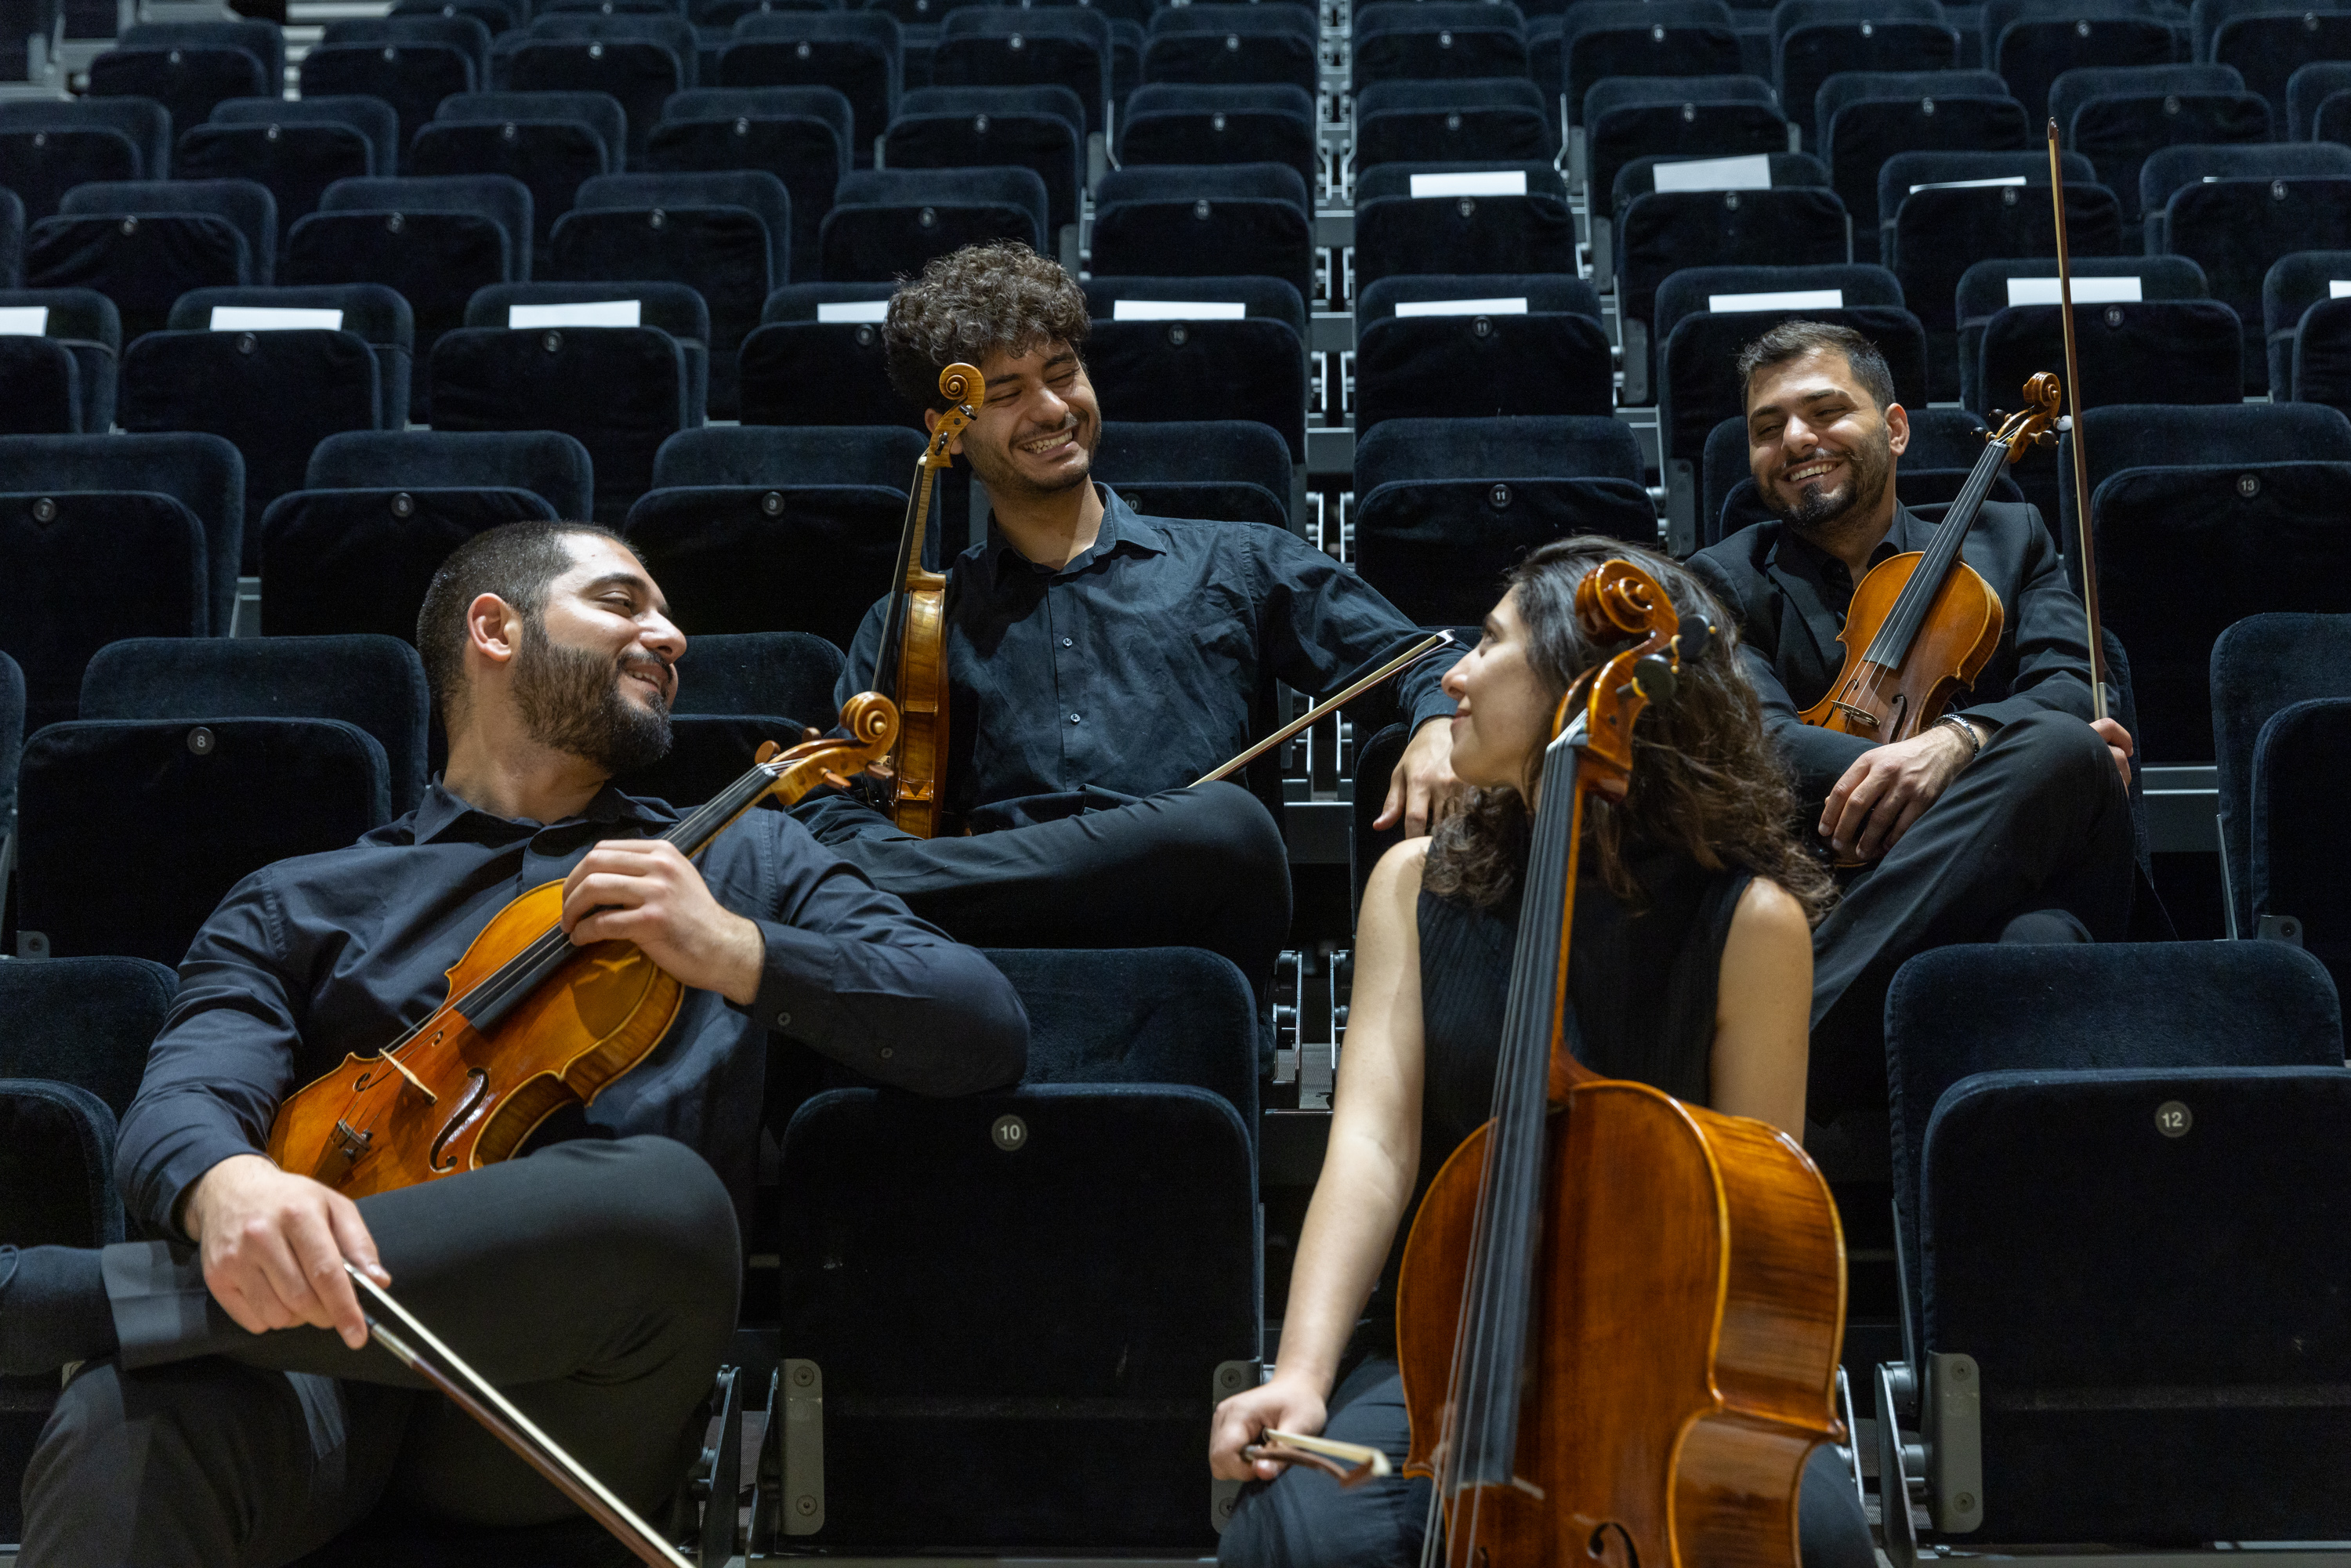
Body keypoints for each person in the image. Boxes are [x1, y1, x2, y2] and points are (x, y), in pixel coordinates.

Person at [5, 521, 1028, 1566]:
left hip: (567, 1403)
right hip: (323, 1387)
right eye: (625, 603)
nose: (670, 637)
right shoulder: (298, 898)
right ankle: (150, 1318)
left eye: (668, 616)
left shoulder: (741, 859)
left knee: (660, 1203)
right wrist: (226, 1187)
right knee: (126, 1416)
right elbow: (185, 1094)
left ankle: (68, 1301)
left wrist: (730, 947)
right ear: (494, 629)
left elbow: (979, 1022)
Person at [1206, 539, 1875, 1568]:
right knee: (1300, 1531)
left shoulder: (1751, 924)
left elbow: (1760, 1218)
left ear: (1578, 690)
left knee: (1805, 1534)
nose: (1456, 676)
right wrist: (1302, 1369)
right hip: (1448, 1344)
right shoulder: (1412, 886)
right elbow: (1374, 1152)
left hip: (1675, 1354)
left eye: (1489, 644)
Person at [790, 241, 1465, 1009]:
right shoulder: (913, 624)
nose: (1051, 409)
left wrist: (1437, 721)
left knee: (1226, 830)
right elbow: (830, 819)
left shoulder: (1234, 562)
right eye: (1007, 391)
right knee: (782, 850)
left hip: (1182, 922)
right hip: (987, 971)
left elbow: (1425, 659)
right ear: (949, 425)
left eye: (1062, 373)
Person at [1686, 320, 2137, 1121]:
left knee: (2064, 747)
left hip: (1982, 888)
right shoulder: (1720, 580)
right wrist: (1995, 770)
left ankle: (1768, 1049)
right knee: (2037, 944)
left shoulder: (2011, 537)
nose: (1796, 439)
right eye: (1768, 427)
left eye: (1825, 412)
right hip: (1825, 882)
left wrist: (1954, 743)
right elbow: (1765, 746)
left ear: (1894, 429)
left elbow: (2078, 688)